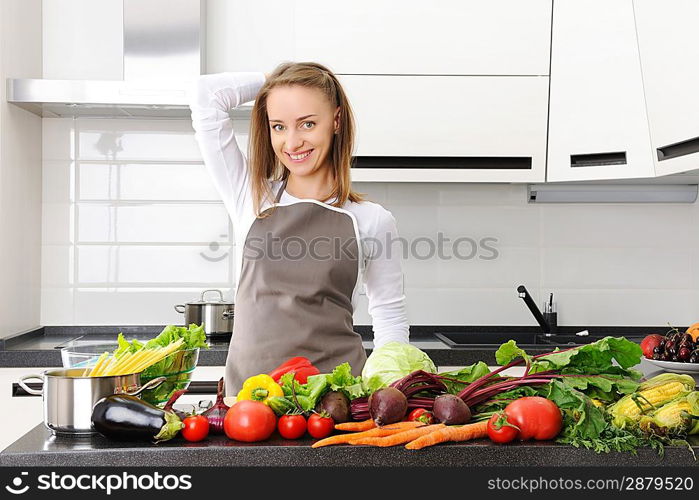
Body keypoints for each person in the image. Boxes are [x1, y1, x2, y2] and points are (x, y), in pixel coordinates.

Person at [189, 62, 409, 395]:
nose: (292, 142)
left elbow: (390, 318)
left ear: (336, 121)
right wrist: (273, 79)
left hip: (336, 400)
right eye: (279, 126)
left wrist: (393, 392)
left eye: (307, 123)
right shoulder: (250, 196)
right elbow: (205, 96)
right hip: (250, 401)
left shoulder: (371, 219)